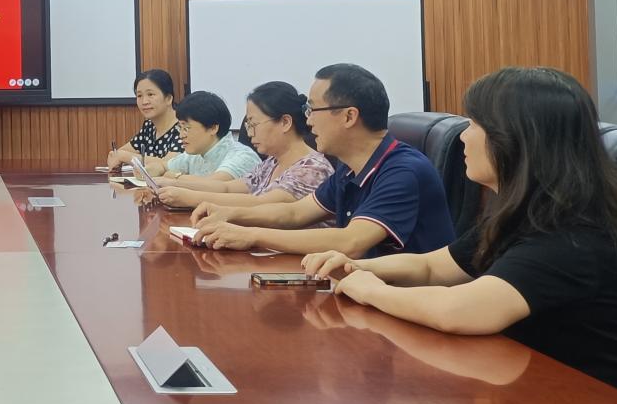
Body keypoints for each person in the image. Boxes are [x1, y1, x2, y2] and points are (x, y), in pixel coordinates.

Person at [303, 67, 617, 398]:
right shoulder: (524, 214)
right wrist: (355, 266)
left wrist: (371, 290)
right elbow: (432, 267)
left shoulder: (571, 235)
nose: (463, 136)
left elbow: (458, 310)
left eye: (474, 124)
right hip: (542, 393)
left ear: (515, 140)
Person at [191, 63, 454, 258]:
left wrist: (251, 235)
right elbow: (295, 213)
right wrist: (231, 214)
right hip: (363, 288)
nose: (307, 120)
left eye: (312, 109)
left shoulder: (403, 171)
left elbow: (351, 241)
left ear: (349, 116)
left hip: (407, 300)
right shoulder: (349, 169)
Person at [157, 81, 333, 209]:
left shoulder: (312, 168)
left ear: (285, 122)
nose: (249, 133)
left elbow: (260, 204)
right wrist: (166, 183)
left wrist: (188, 197)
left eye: (253, 124)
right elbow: (227, 188)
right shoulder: (271, 163)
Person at [151, 90, 261, 181]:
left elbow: (212, 185)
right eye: (180, 128)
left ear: (213, 128)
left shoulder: (243, 156)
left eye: (187, 128)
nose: (181, 135)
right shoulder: (195, 154)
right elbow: (163, 166)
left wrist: (175, 177)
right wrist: (149, 173)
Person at [108, 69, 184, 170]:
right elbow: (116, 154)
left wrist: (126, 157)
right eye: (139, 95)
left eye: (150, 94)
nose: (144, 102)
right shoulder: (149, 126)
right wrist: (116, 157)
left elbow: (170, 164)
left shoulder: (184, 126)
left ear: (168, 98)